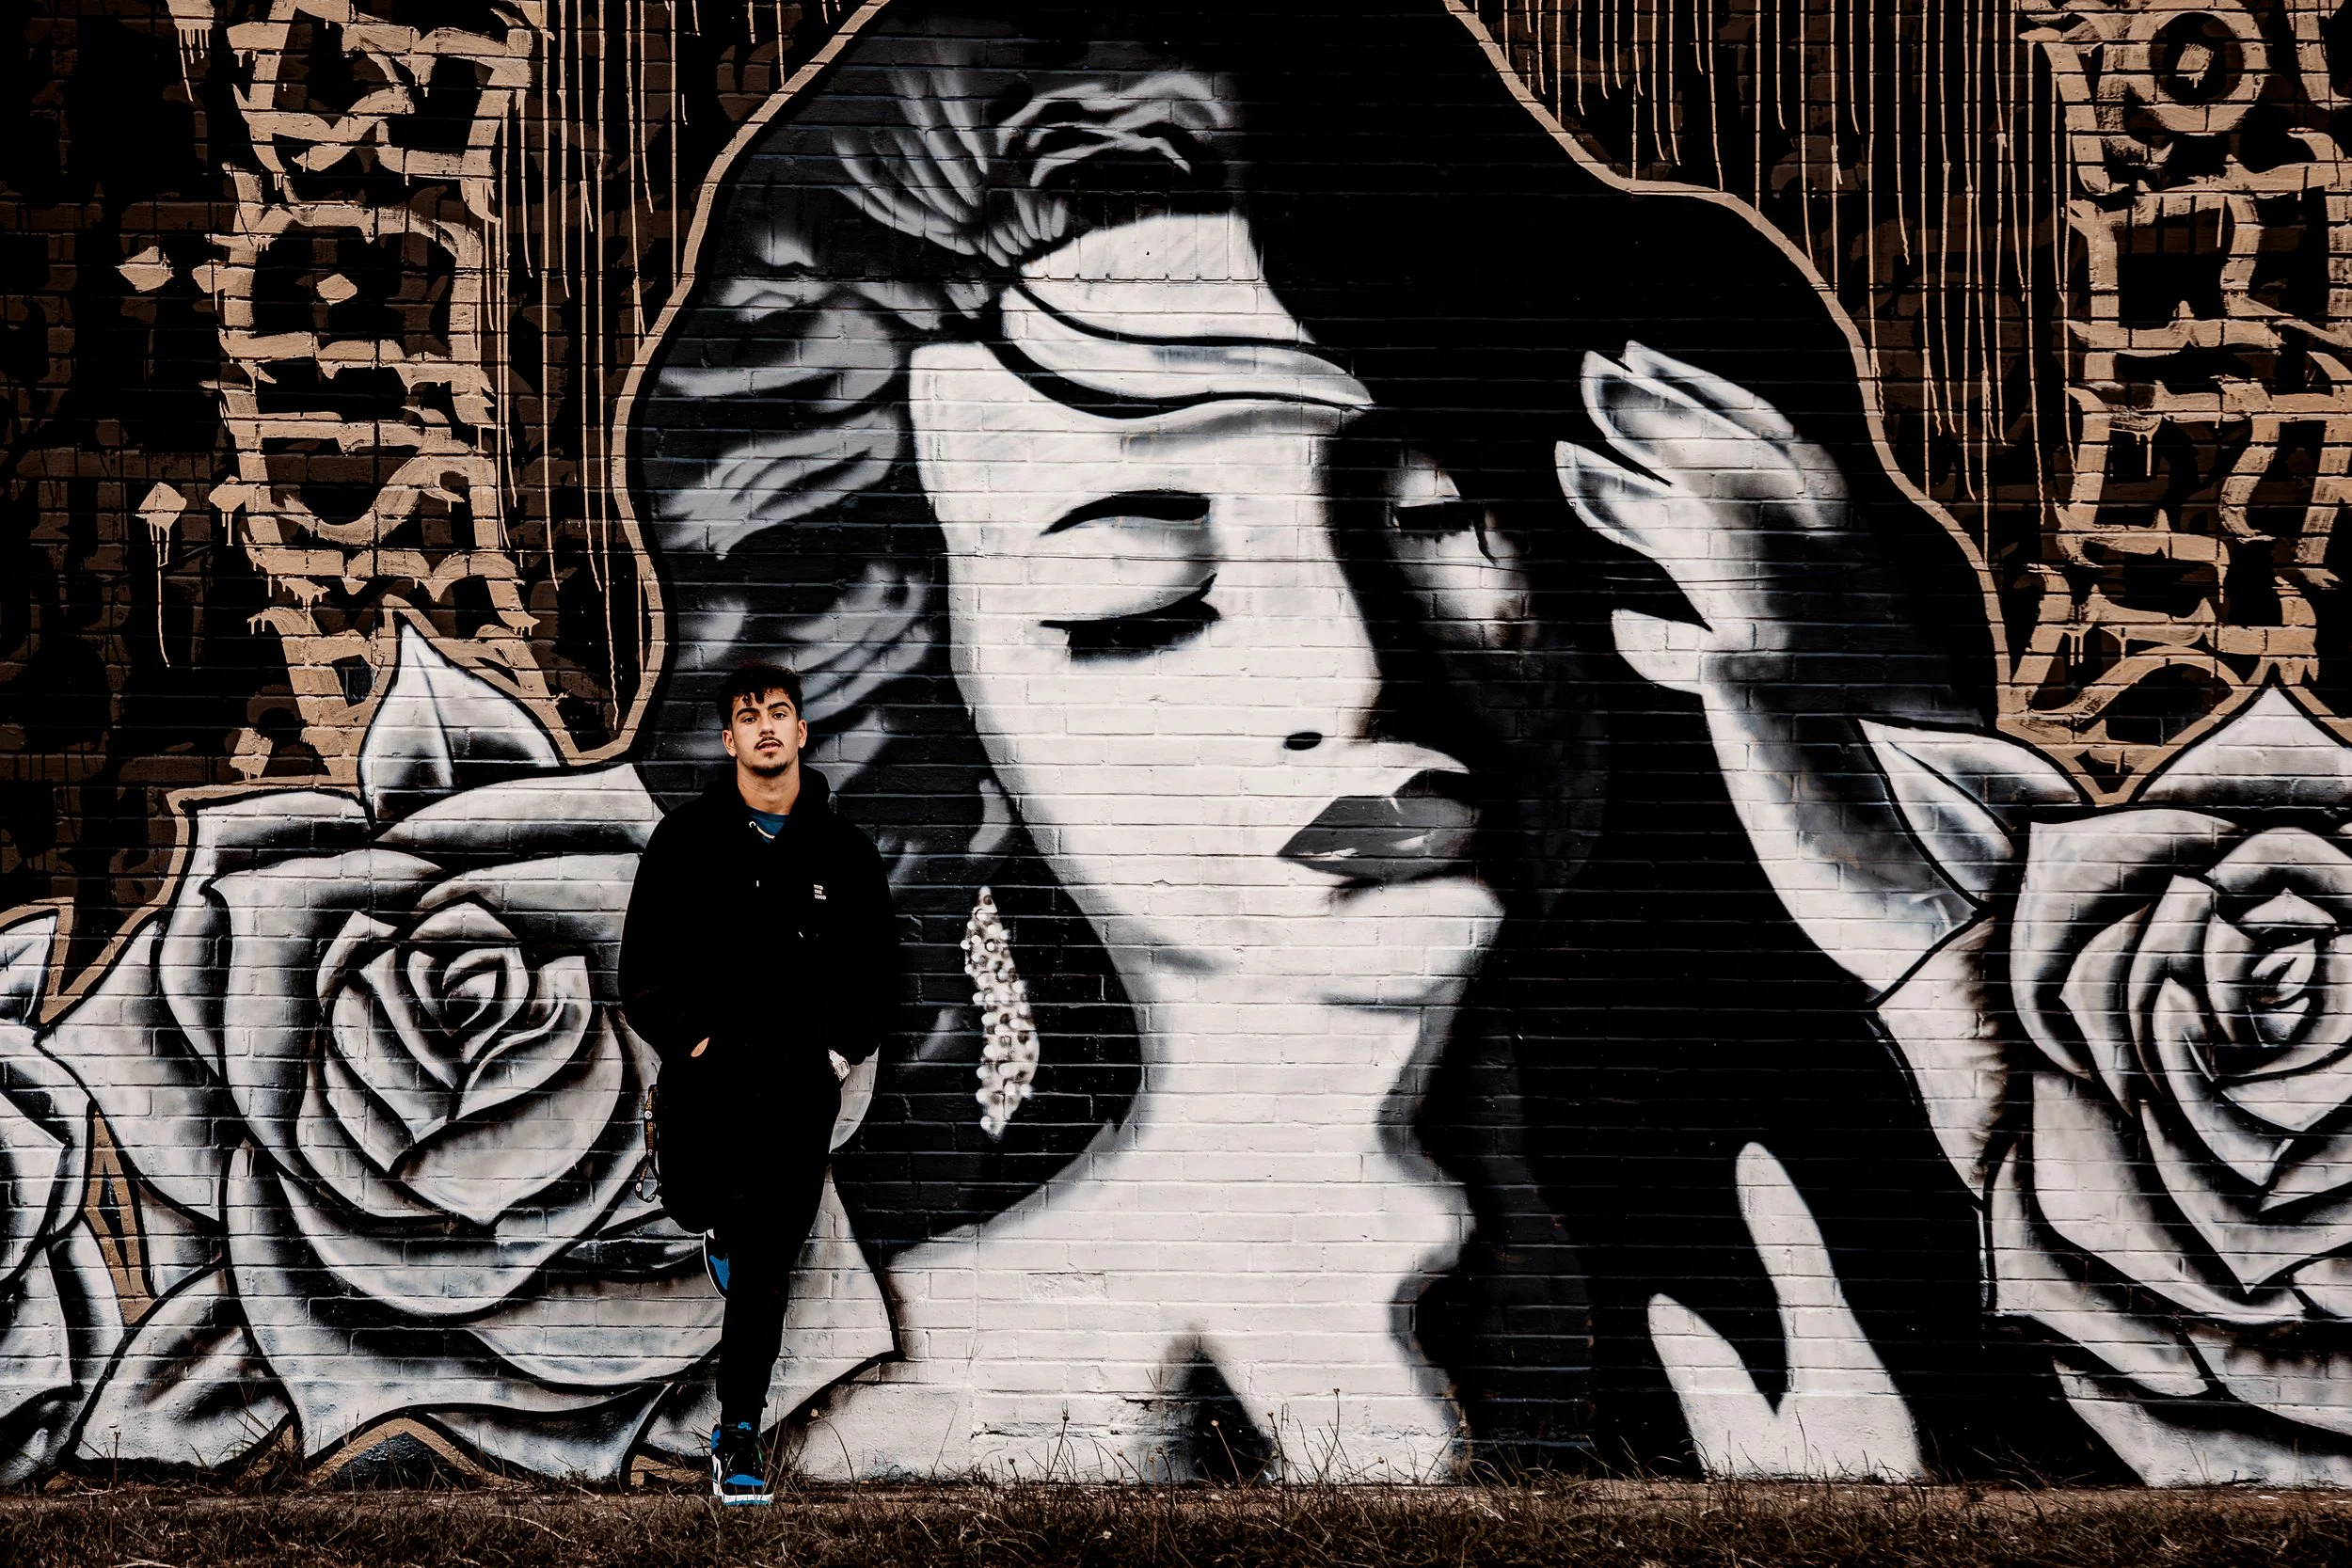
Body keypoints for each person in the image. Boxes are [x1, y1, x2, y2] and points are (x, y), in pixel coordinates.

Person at [625, 0, 2043, 1479]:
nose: (1359, 667)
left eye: (1441, 520)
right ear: (926, 693)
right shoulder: (908, 1416)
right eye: (1140, 587)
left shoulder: (1836, 1258)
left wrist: (1919, 899)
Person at [619, 660, 902, 1502]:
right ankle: (718, 1234)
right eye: (750, 716)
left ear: (803, 732)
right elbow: (642, 972)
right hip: (709, 1081)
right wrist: (697, 1044)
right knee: (714, 1209)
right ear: (729, 738)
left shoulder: (841, 852)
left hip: (797, 1091)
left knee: (766, 1262)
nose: (767, 727)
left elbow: (878, 976)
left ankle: (736, 1436)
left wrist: (837, 1058)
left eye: (781, 713)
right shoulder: (687, 840)